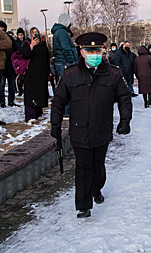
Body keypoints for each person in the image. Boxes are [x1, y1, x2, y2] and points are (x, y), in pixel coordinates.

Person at [51, 32, 132, 218]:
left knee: (98, 166)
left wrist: (125, 119)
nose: (94, 54)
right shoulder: (70, 74)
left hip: (102, 129)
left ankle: (96, 188)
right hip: (79, 131)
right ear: (81, 52)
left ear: (103, 51)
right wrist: (55, 124)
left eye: (97, 50)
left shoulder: (113, 73)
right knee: (83, 167)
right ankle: (83, 205)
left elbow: (124, 97)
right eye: (89, 50)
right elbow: (58, 101)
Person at [20, 27, 50, 123]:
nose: (34, 34)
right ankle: (30, 115)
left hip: (41, 73)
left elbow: (46, 58)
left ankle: (38, 112)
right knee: (30, 94)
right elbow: (25, 55)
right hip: (31, 73)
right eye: (32, 33)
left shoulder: (43, 45)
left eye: (36, 32)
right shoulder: (26, 43)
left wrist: (48, 72)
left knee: (40, 93)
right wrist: (32, 45)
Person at [0, 21, 18, 108]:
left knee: (11, 85)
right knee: (1, 85)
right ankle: (2, 102)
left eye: (1, 27)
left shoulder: (9, 39)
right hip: (0, 66)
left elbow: (16, 49)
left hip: (10, 66)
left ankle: (11, 101)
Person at [15, 28, 26, 96]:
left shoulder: (26, 42)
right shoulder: (16, 43)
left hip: (25, 61)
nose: (21, 36)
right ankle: (20, 90)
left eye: (21, 35)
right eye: (19, 35)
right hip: (19, 61)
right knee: (19, 78)